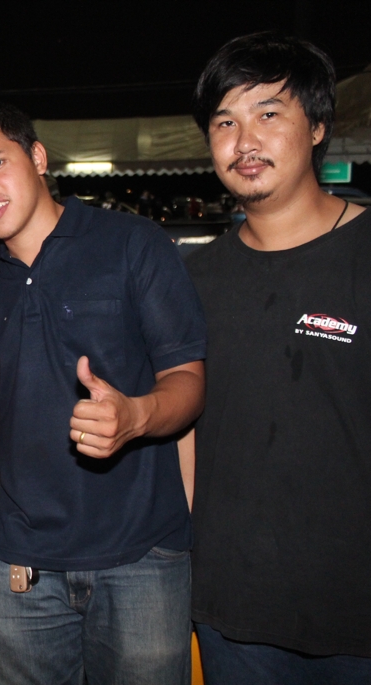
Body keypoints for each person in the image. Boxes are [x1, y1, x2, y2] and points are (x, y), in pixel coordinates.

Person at [0, 102, 207, 685]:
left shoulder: (131, 242)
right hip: (20, 566)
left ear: (37, 158)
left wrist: (135, 415)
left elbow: (187, 379)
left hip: (140, 559)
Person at [186, 32, 371, 683]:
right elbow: (185, 436)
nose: (244, 141)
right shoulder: (193, 281)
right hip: (234, 615)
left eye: (268, 114)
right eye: (224, 123)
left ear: (318, 126)